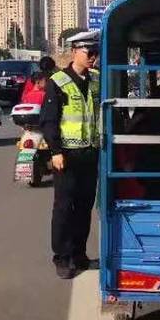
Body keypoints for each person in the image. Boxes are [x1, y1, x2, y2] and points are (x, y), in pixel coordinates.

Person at [40, 31, 100, 279]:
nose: (93, 58)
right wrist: (55, 151)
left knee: (84, 207)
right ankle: (62, 257)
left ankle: (79, 254)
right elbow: (49, 120)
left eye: (96, 54)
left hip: (91, 153)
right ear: (75, 51)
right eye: (89, 53)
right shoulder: (58, 81)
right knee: (64, 207)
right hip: (66, 155)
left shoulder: (97, 80)